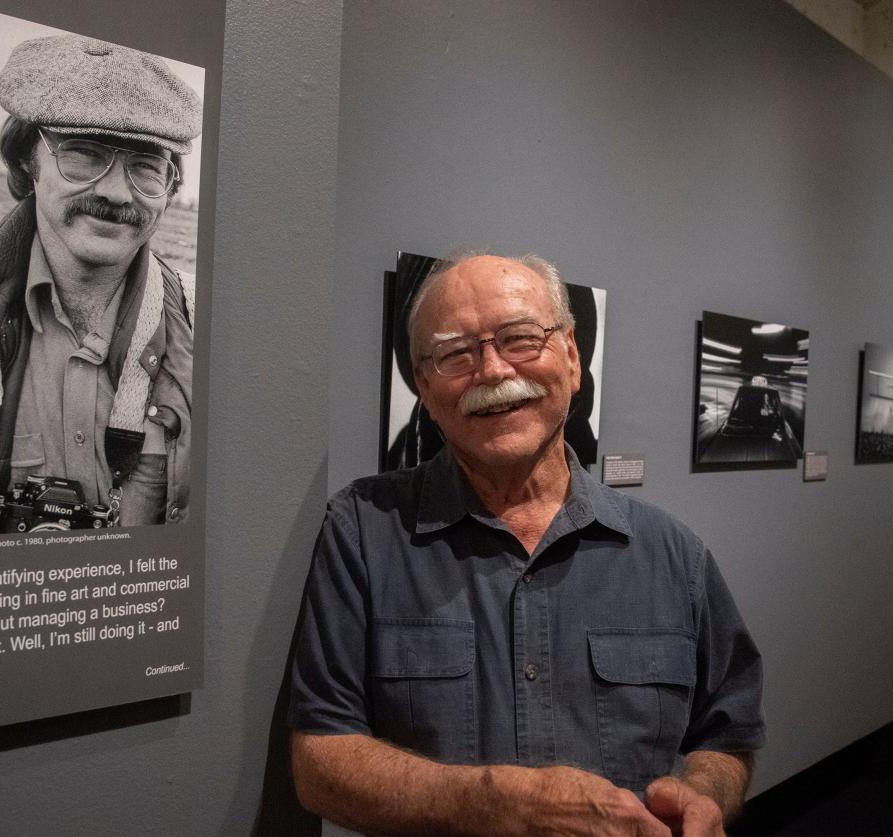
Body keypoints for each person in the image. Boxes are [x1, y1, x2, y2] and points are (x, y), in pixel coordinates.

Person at [288, 254, 765, 835]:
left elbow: (728, 733)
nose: (491, 371)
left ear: (571, 357)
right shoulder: (361, 531)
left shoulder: (674, 555)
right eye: (456, 353)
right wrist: (499, 803)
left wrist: (703, 794)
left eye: (519, 339)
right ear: (425, 388)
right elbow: (320, 761)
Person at [0, 34, 201, 538]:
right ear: (28, 160)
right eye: (85, 155)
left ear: (171, 186)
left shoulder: (204, 331)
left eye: (146, 167)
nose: (116, 192)